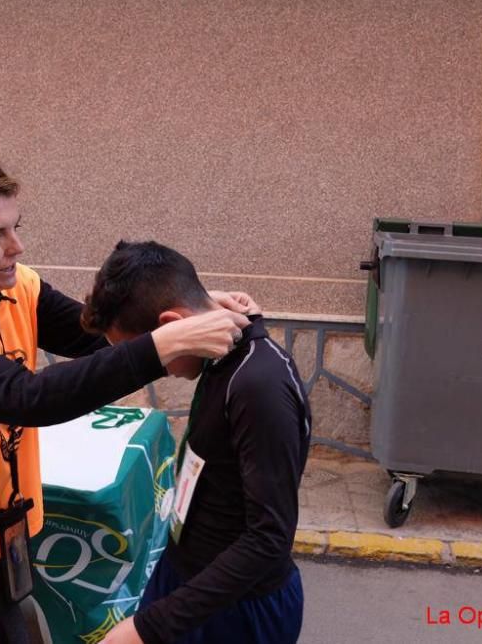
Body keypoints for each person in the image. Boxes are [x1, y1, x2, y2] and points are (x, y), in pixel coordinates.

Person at [0, 145, 252, 644]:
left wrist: (186, 312)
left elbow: (92, 334)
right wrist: (161, 345)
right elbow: (31, 398)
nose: (16, 247)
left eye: (15, 227)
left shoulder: (15, 287)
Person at [81, 241, 311, 644]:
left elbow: (269, 538)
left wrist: (146, 628)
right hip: (189, 578)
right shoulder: (222, 355)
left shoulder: (259, 385)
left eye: (154, 353)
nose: (156, 370)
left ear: (173, 323)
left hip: (237, 610)